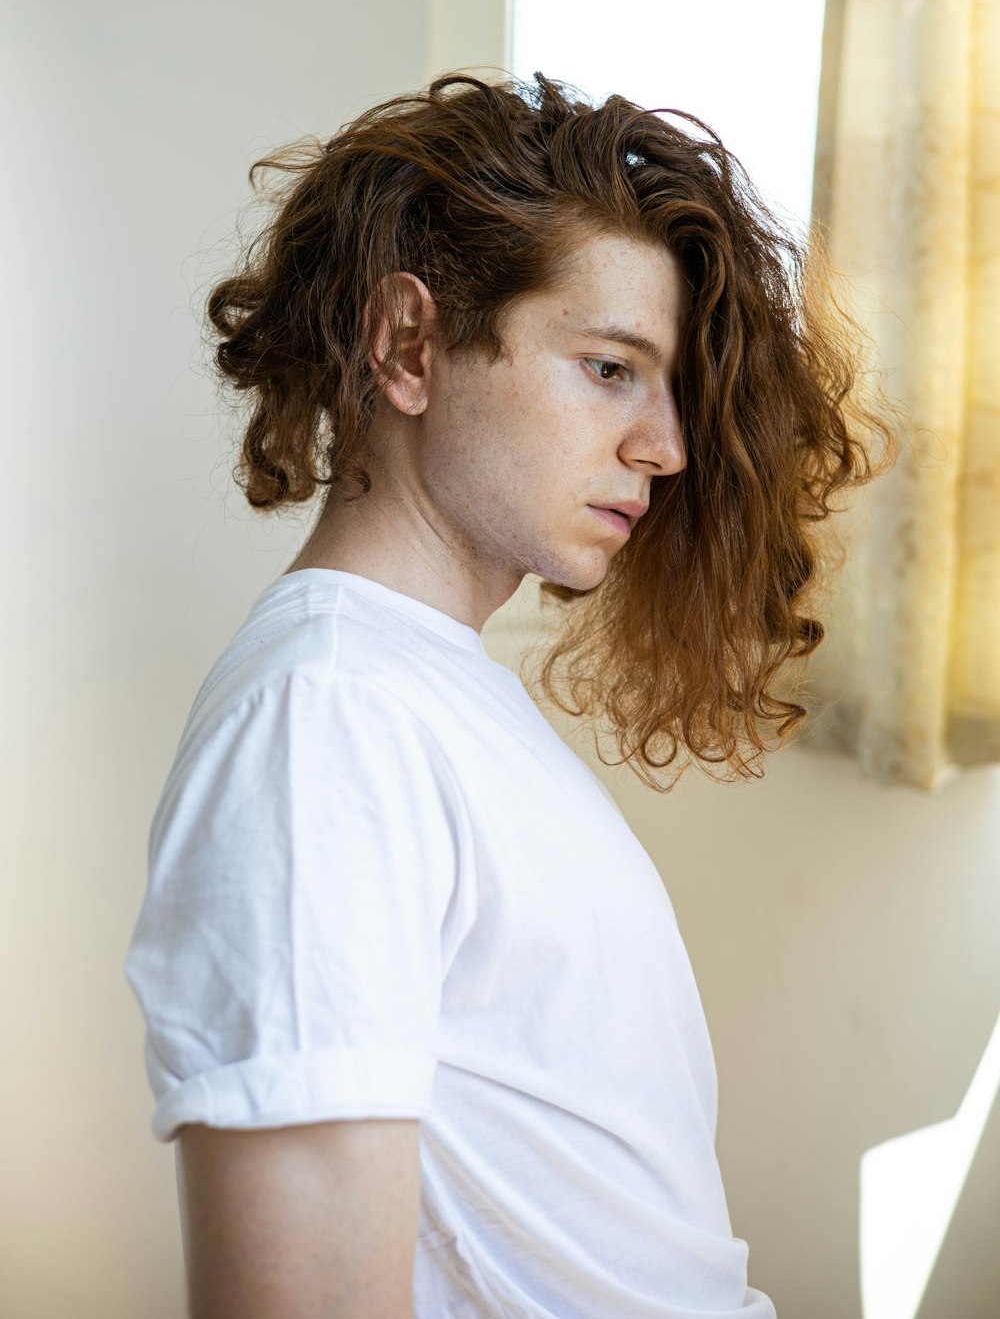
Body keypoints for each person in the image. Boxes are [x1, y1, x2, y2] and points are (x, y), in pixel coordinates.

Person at [124, 70, 898, 1318]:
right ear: (409, 344)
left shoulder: (421, 689)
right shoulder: (326, 724)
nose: (667, 446)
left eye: (665, 386)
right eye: (608, 369)